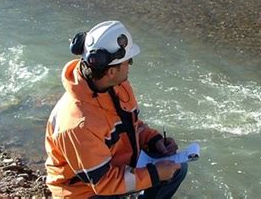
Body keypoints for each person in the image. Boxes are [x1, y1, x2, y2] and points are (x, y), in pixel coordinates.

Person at [45, 21, 188, 198]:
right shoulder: (78, 124)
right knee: (161, 174)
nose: (130, 64)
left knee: (178, 168)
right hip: (85, 191)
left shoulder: (117, 85)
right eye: (128, 60)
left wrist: (153, 140)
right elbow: (103, 182)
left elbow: (130, 125)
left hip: (112, 167)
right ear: (111, 71)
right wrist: (155, 174)